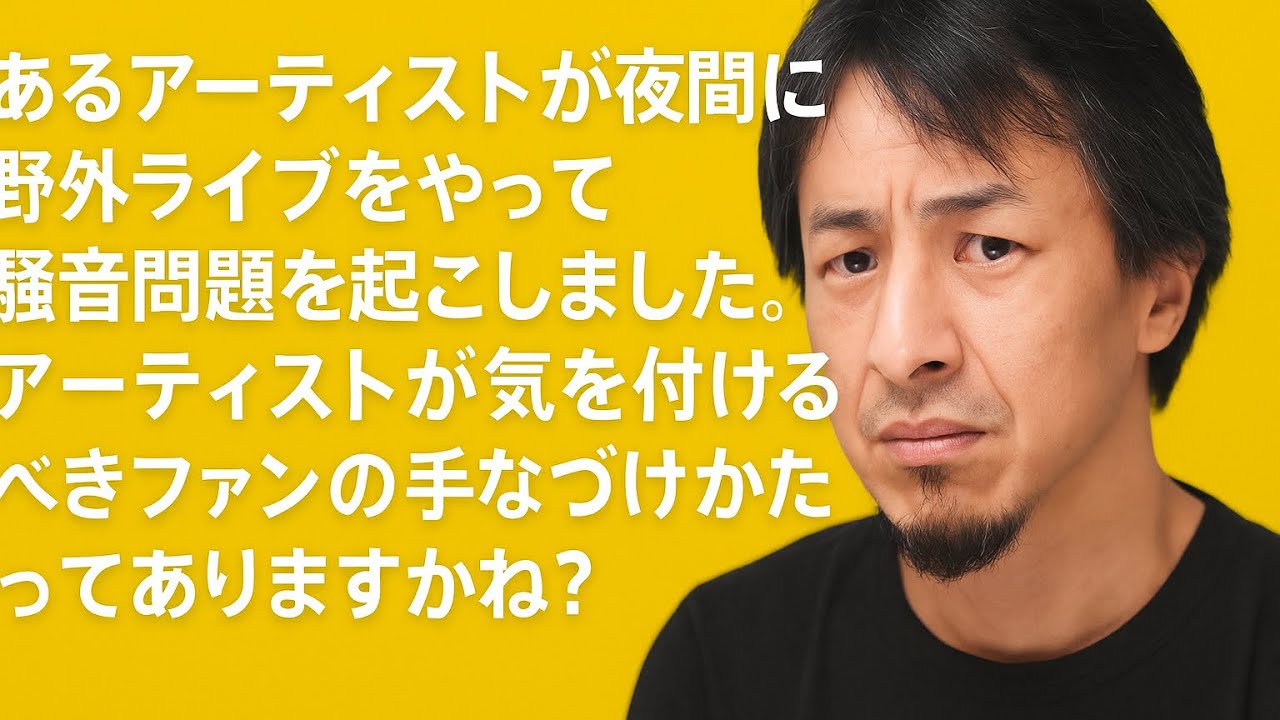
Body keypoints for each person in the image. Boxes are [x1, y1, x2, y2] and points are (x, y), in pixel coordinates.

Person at [626, 0, 1280, 717]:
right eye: (852, 260)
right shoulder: (720, 672)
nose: (901, 350)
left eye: (990, 248)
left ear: (1160, 294)